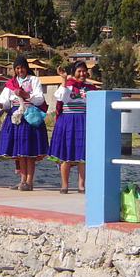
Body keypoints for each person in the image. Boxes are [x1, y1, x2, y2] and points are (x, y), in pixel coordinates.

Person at [0, 56, 48, 191]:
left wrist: (25, 95)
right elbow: (5, 101)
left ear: (27, 67)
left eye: (22, 67)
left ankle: (29, 182)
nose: (20, 70)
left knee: (29, 151)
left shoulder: (34, 80)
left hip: (30, 115)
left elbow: (39, 99)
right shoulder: (10, 83)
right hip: (16, 117)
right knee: (20, 152)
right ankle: (22, 181)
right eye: (17, 68)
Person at [48, 61, 97, 194]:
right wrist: (63, 79)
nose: (82, 74)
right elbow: (61, 97)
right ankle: (64, 185)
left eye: (84, 71)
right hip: (68, 121)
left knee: (83, 156)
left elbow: (95, 103)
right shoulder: (68, 85)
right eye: (79, 71)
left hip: (84, 121)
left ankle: (81, 185)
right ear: (73, 73)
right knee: (66, 155)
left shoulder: (90, 87)